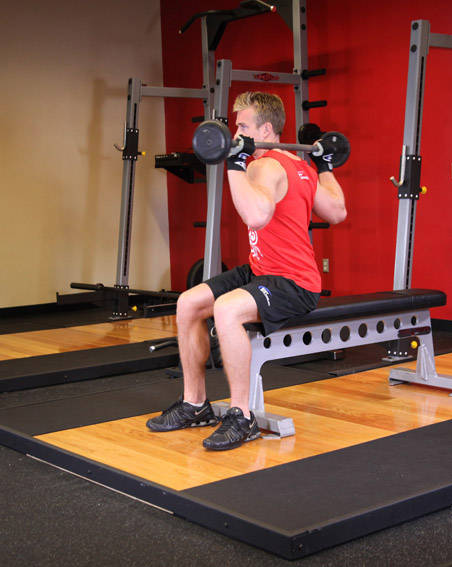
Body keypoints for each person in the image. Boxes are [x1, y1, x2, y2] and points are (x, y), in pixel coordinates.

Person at [147, 91, 347, 450]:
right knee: (189, 303)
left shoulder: (263, 165)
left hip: (293, 282)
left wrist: (235, 164)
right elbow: (336, 211)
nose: (235, 132)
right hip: (262, 270)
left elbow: (256, 216)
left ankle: (242, 415)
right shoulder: (299, 164)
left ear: (266, 128)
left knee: (226, 309)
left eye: (242, 125)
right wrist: (326, 165)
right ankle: (195, 404)